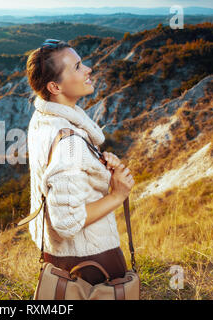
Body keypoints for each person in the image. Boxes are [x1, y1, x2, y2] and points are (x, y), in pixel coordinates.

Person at [25, 39, 135, 285]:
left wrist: (98, 165)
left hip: (62, 259)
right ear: (55, 86)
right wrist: (117, 195)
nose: (88, 70)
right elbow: (66, 221)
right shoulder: (70, 142)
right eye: (77, 67)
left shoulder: (43, 119)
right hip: (93, 264)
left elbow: (63, 176)